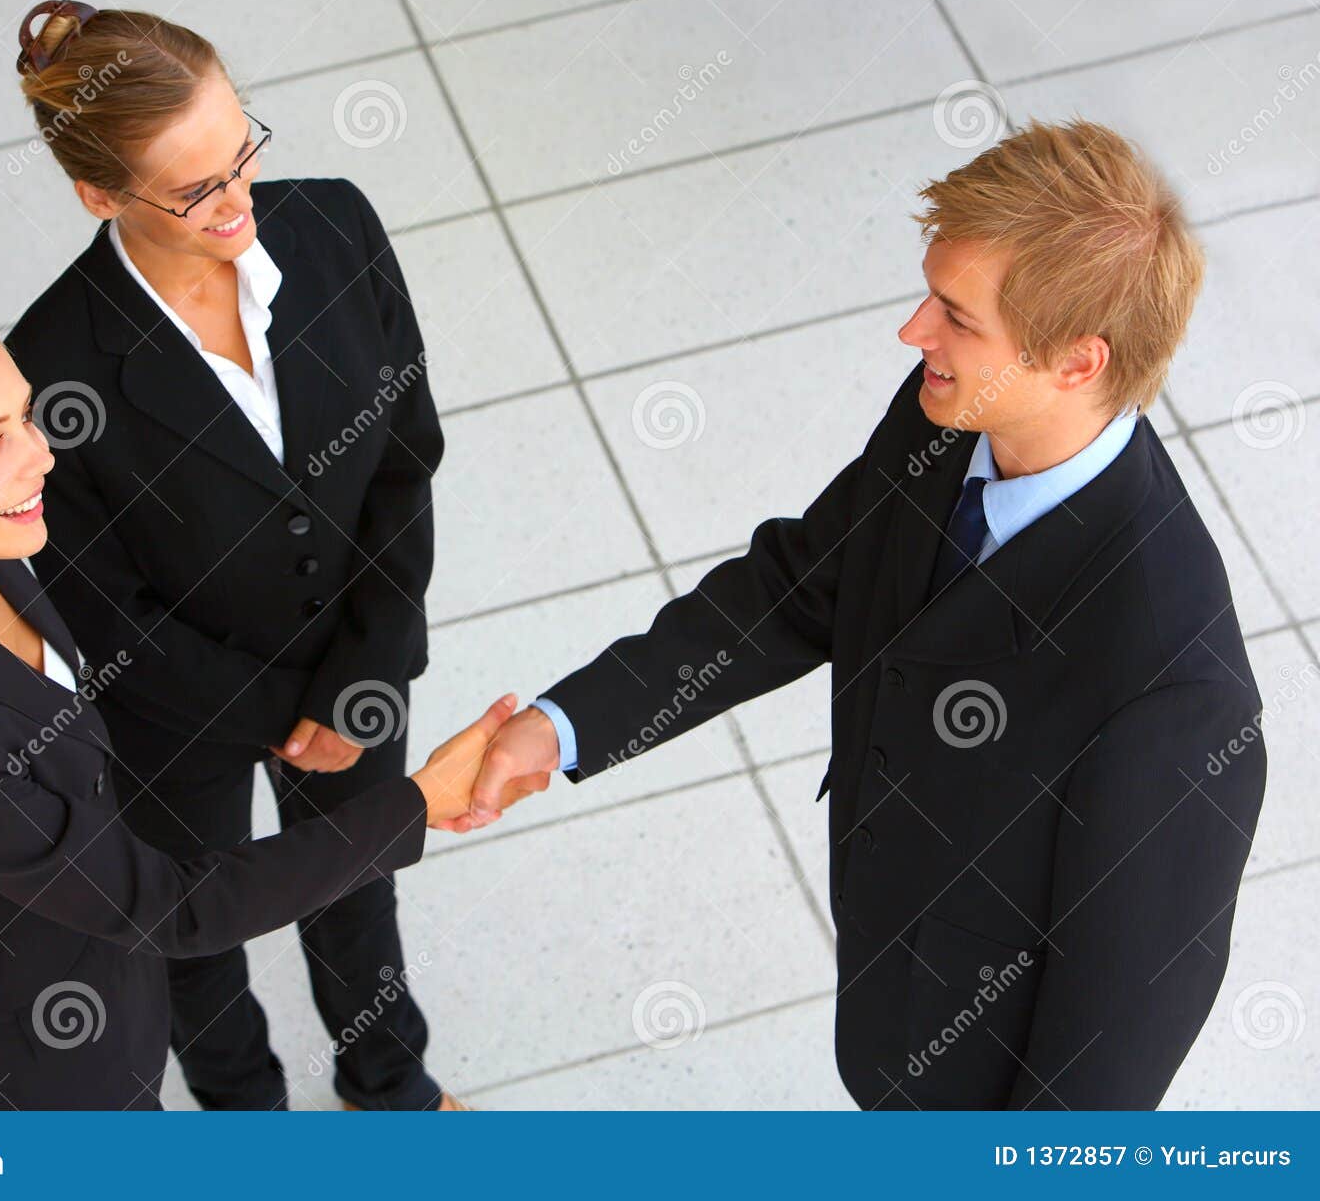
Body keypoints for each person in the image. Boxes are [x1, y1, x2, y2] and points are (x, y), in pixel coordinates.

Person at [458, 120, 1267, 1110]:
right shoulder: (948, 411)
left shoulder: (1171, 686)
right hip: (891, 996)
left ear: (1076, 363)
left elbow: (1117, 1036)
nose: (913, 334)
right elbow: (803, 586)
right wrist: (570, 724)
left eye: (957, 319)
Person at [0, 294, 536, 1111]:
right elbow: (172, 909)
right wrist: (420, 803)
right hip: (39, 1066)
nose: (40, 457)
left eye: (24, 417)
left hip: (96, 957)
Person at [1, 2, 460, 1111]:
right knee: (192, 934)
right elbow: (96, 606)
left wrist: (367, 664)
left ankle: (390, 1085)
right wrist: (272, 721)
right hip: (175, 714)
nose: (238, 201)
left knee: (357, 888)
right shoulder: (51, 360)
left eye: (241, 150)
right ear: (98, 196)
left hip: (353, 661)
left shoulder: (335, 227)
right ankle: (243, 1121)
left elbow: (404, 455)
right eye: (195, 188)